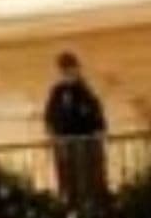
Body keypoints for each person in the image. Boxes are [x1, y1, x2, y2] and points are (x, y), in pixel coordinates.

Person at [44, 51, 110, 204]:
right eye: (65, 70)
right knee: (69, 180)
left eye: (71, 68)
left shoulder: (85, 90)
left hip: (86, 146)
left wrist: (99, 131)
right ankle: (71, 201)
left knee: (89, 179)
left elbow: (96, 115)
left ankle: (93, 202)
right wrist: (53, 135)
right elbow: (50, 117)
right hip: (66, 146)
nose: (69, 73)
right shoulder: (58, 92)